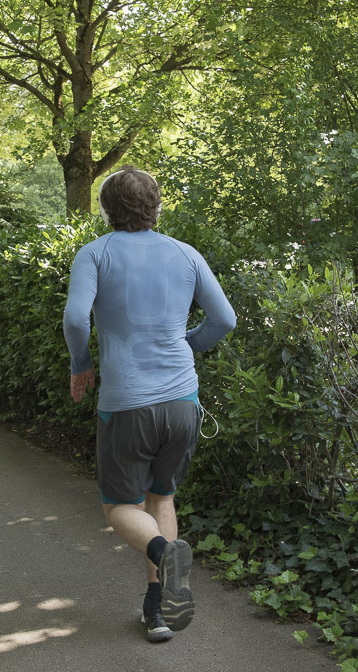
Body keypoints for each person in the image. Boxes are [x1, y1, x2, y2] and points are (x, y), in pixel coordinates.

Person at [62, 165, 236, 643]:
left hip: (128, 404)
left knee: (121, 507)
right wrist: (188, 345)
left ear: (105, 210)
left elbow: (77, 318)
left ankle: (163, 551)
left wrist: (82, 364)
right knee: (162, 496)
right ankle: (157, 611)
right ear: (156, 206)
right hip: (183, 402)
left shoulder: (95, 254)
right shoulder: (185, 254)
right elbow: (224, 319)